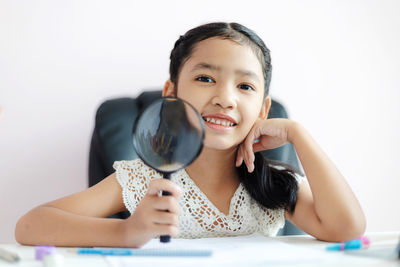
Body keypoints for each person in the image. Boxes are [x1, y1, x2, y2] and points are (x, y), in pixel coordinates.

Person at [15, 22, 366, 248]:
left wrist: (298, 135)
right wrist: (126, 232)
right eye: (205, 78)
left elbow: (347, 229)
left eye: (244, 86)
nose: (224, 98)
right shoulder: (143, 179)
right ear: (171, 92)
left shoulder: (274, 184)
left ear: (263, 109)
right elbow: (30, 226)